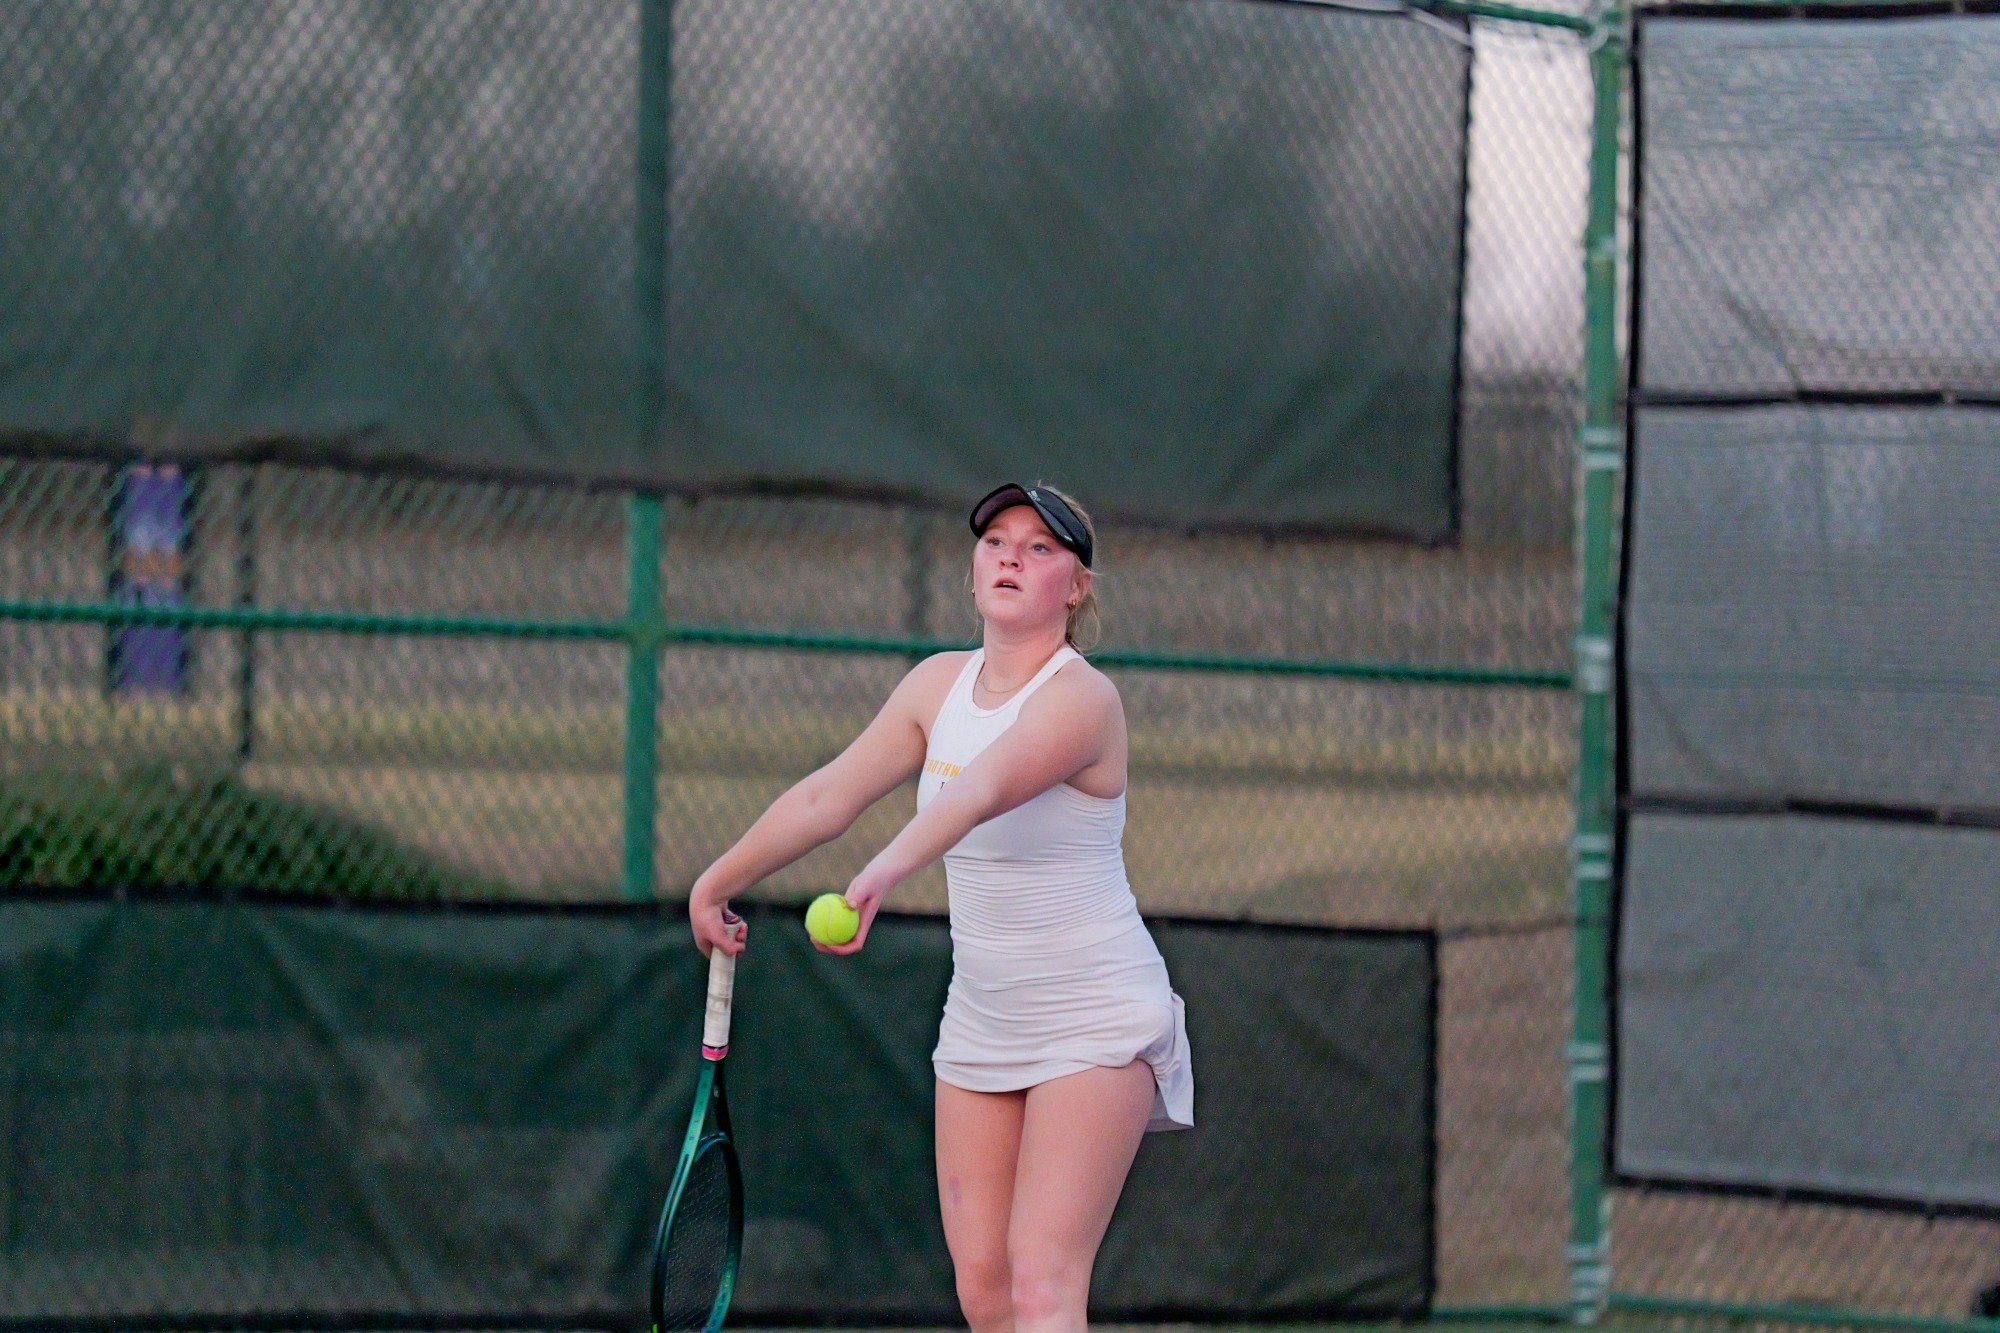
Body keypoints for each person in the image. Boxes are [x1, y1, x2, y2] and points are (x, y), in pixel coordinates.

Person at [688, 481, 1192, 1332]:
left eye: (1040, 548)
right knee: (986, 1295)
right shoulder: (935, 685)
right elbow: (826, 796)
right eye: (996, 541)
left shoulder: (1083, 699)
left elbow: (983, 787)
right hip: (983, 1017)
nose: (1011, 557)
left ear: (1076, 587)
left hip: (1095, 1013)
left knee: (1043, 1284)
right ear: (973, 568)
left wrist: (885, 869)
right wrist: (715, 881)